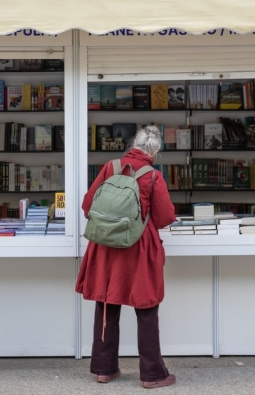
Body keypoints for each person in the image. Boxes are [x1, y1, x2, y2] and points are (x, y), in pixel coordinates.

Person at [76, 126, 177, 389]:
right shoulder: (153, 176)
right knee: (146, 308)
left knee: (107, 304)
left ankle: (103, 369)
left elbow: (88, 204)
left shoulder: (110, 166)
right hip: (138, 248)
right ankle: (152, 374)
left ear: (133, 144)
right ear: (154, 151)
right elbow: (164, 218)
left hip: (106, 247)